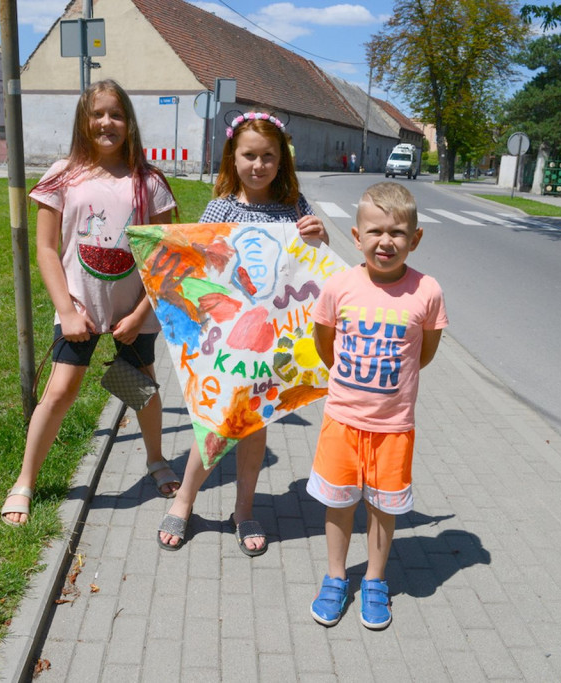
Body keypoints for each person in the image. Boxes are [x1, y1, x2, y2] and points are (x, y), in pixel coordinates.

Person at [1, 80, 180, 526]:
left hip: (133, 312)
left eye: (116, 114)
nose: (107, 122)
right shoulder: (62, 176)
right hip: (78, 310)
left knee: (140, 390)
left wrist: (140, 314)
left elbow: (165, 257)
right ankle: (25, 481)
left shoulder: (149, 182)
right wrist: (66, 310)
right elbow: (45, 249)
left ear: (129, 123)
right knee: (60, 392)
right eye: (98, 113)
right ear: (83, 121)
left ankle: (155, 460)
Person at [157, 111, 328, 555]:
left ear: (281, 160)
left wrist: (319, 234)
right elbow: (198, 263)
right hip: (226, 335)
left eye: (268, 156)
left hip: (273, 339)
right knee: (214, 420)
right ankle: (184, 500)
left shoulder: (296, 207)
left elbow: (314, 263)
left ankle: (245, 509)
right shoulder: (221, 208)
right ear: (233, 158)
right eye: (249, 155)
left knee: (254, 423)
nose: (258, 165)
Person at [307, 182, 447, 629]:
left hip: (394, 426)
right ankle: (334, 577)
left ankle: (374, 579)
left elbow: (423, 354)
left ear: (415, 238)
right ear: (356, 236)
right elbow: (325, 346)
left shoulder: (427, 292)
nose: (385, 242)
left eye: (398, 233)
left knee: (384, 507)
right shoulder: (339, 287)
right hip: (342, 420)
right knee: (339, 503)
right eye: (375, 231)